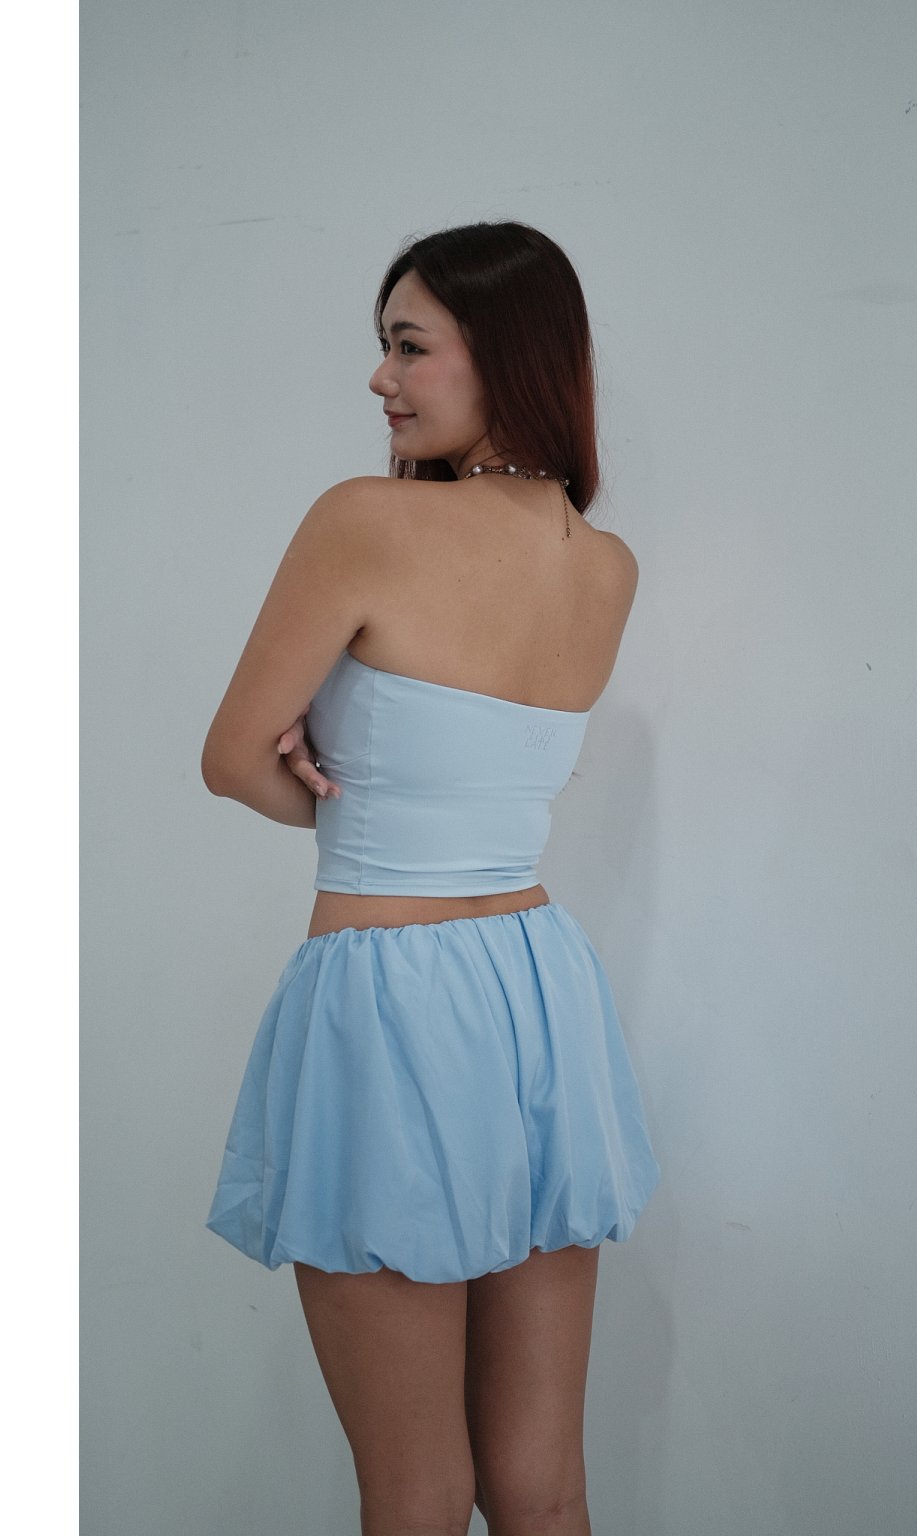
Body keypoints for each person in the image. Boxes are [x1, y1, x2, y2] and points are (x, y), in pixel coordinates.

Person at [202, 221, 661, 1536]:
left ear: (503, 355)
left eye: (409, 346)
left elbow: (232, 760)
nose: (381, 378)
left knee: (415, 1492)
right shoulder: (603, 565)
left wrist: (329, 778)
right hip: (541, 991)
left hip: (390, 997)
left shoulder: (366, 520)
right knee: (542, 1486)